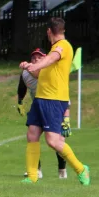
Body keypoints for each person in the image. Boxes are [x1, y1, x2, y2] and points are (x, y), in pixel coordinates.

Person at [20, 17, 89, 185]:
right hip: (41, 99)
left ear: (49, 31)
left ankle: (81, 169)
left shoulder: (62, 46)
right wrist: (29, 66)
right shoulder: (52, 50)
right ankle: (32, 176)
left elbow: (50, 60)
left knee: (52, 141)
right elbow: (42, 73)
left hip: (54, 99)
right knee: (32, 135)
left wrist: (36, 65)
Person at [17, 48, 71, 179]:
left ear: (46, 58)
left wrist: (66, 118)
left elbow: (64, 95)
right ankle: (36, 170)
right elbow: (21, 88)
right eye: (33, 58)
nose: (36, 60)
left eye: (39, 57)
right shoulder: (26, 73)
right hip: (37, 107)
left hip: (54, 107)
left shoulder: (52, 70)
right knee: (32, 137)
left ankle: (62, 170)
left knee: (57, 141)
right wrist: (19, 101)